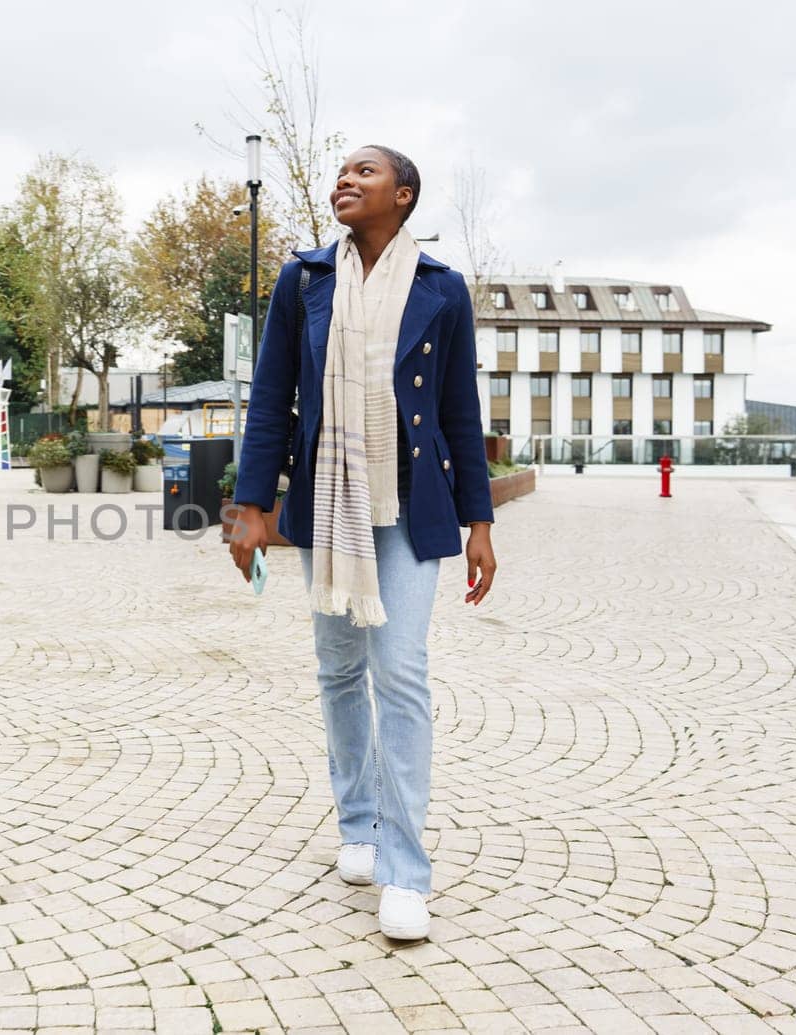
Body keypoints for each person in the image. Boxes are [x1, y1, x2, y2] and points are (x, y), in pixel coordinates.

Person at [227, 145, 497, 942]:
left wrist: (480, 522)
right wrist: (250, 506)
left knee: (401, 672)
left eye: (365, 172)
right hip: (329, 505)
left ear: (403, 195)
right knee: (339, 668)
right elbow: (273, 395)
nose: (345, 179)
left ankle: (407, 869)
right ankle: (359, 821)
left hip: (414, 507)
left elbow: (459, 408)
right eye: (341, 170)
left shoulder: (442, 290)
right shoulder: (304, 280)